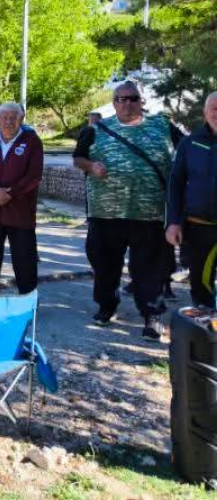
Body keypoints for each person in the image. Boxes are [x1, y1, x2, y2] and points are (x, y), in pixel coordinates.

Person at [73, 80, 184, 341]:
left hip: (150, 214)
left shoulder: (163, 126)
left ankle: (152, 315)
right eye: (120, 99)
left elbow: (188, 152)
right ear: (113, 102)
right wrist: (91, 167)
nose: (126, 103)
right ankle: (106, 306)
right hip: (105, 213)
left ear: (142, 101)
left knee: (149, 269)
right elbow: (78, 157)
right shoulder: (97, 129)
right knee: (104, 264)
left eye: (132, 98)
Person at [0, 103, 44, 297]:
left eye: (13, 117)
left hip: (20, 212)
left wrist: (10, 193)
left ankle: (28, 301)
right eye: (4, 117)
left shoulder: (32, 142)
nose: (8, 121)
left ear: (21, 119)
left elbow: (34, 175)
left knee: (24, 260)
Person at [166, 91, 217, 308]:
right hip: (199, 229)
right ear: (205, 113)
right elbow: (175, 185)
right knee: (201, 286)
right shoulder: (190, 143)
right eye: (214, 108)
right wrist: (173, 222)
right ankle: (207, 334)